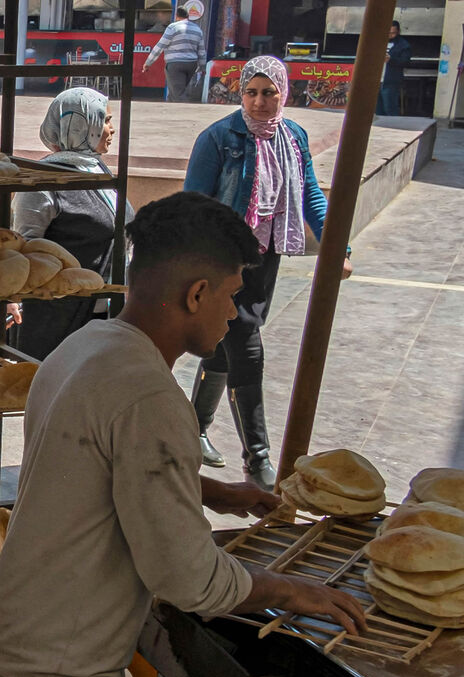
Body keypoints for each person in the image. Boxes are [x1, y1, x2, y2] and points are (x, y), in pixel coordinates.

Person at [0, 192, 366, 677]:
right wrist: (296, 593)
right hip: (61, 662)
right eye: (231, 294)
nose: (233, 311)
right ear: (197, 294)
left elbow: (89, 464)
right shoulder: (151, 397)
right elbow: (189, 579)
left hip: (21, 616)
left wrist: (213, 491)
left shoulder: (86, 344)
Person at [183, 55, 348, 489]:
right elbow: (194, 205)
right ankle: (257, 459)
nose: (259, 102)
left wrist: (337, 247)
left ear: (283, 93)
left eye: (268, 92)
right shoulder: (219, 138)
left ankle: (193, 430)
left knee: (225, 346)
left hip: (265, 255)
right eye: (251, 92)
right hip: (223, 260)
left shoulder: (293, 136)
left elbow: (311, 193)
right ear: (241, 95)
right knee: (247, 348)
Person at [5, 88, 134, 360]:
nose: (111, 129)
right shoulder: (44, 183)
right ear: (79, 125)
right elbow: (23, 247)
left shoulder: (98, 172)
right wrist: (12, 298)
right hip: (56, 323)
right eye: (104, 121)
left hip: (102, 315)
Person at [142, 7, 206, 102]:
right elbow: (201, 51)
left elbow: (160, 46)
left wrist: (148, 63)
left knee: (178, 94)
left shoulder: (173, 27)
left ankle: (185, 114)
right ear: (188, 16)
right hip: (191, 64)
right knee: (174, 92)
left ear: (176, 16)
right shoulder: (197, 29)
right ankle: (168, 113)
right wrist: (203, 67)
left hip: (175, 64)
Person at [377, 21, 412, 116]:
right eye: (388, 33)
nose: (390, 35)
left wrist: (391, 60)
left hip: (390, 81)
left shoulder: (403, 45)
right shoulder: (378, 42)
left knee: (390, 108)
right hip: (376, 81)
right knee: (377, 109)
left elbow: (406, 61)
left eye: (393, 33)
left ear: (398, 32)